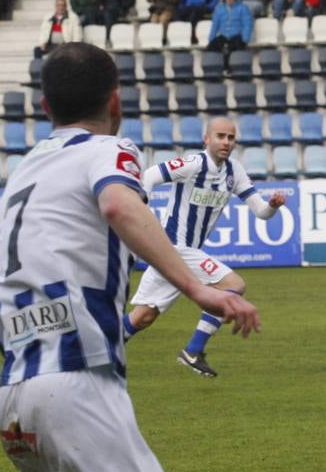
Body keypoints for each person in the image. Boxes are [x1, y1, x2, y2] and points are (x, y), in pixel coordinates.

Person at [0, 43, 260, 472]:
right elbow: (118, 205)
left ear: (44, 107)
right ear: (115, 102)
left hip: (14, 393)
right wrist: (197, 287)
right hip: (76, 385)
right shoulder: (112, 149)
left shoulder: (26, 167)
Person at [122, 116, 285, 379]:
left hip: (177, 253)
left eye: (231, 138)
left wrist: (273, 206)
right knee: (233, 285)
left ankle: (97, 350)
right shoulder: (193, 163)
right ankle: (193, 350)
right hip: (176, 247)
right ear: (206, 139)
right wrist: (142, 206)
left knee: (143, 317)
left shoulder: (234, 172)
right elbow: (150, 175)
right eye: (220, 136)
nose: (226, 142)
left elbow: (261, 212)